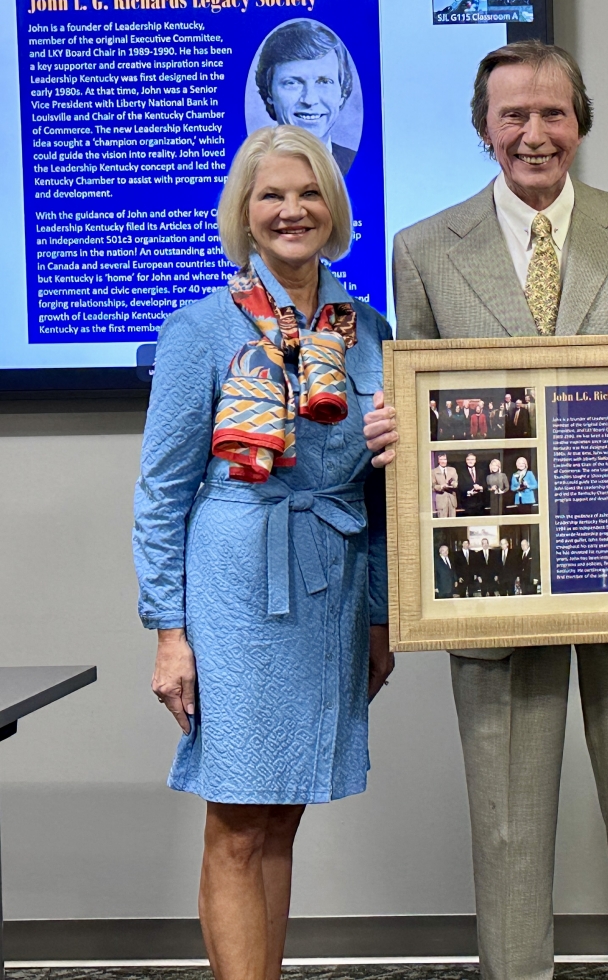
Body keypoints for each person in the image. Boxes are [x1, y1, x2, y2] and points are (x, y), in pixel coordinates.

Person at [364, 38, 608, 980]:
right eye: (514, 115)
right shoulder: (424, 248)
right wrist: (400, 435)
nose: (534, 133)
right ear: (484, 130)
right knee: (507, 828)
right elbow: (423, 408)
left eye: (553, 113)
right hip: (491, 579)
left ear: (580, 123)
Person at [134, 124, 393, 980]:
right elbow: (163, 493)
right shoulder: (200, 330)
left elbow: (382, 490)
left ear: (334, 208)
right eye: (272, 195)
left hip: (333, 589)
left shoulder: (368, 331)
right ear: (244, 215)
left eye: (309, 192)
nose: (293, 210)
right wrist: (169, 632)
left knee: (282, 812)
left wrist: (382, 616)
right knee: (240, 818)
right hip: (238, 593)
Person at [254, 20, 358, 176]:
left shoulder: (356, 162)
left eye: (324, 82)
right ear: (269, 93)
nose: (309, 100)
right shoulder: (250, 170)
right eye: (292, 83)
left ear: (342, 94)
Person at [432, 452, 458, 518]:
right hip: (441, 500)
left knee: (453, 521)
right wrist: (441, 486)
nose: (443, 461)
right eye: (441, 459)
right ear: (438, 461)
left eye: (445, 459)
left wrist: (453, 484)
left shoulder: (452, 470)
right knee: (442, 522)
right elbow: (432, 486)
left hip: (452, 499)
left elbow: (456, 483)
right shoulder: (434, 471)